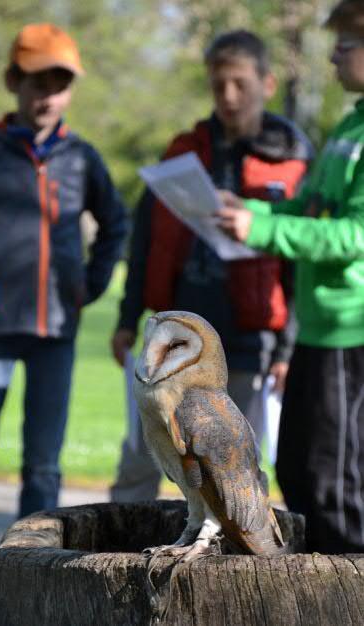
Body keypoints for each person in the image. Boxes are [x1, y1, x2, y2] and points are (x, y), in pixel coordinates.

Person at [110, 30, 313, 502]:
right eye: (218, 84)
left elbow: (300, 263)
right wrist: (126, 318)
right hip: (175, 335)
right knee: (144, 453)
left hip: (248, 339)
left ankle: (228, 569)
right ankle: (119, 559)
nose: (228, 96)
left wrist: (286, 349)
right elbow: (146, 240)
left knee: (233, 465)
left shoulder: (292, 164)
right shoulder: (184, 152)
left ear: (267, 82)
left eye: (240, 83)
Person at [216, 0, 364, 554]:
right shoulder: (350, 123)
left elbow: (353, 236)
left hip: (351, 335)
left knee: (337, 486)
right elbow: (313, 213)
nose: (333, 55)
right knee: (299, 472)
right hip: (317, 333)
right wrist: (254, 215)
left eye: (346, 44)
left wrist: (259, 229)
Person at [0, 23, 126, 524]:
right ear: (12, 81)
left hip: (57, 332)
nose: (49, 96)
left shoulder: (80, 159)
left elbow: (115, 223)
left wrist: (91, 283)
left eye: (60, 85)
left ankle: (30, 576)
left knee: (42, 466)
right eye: (39, 83)